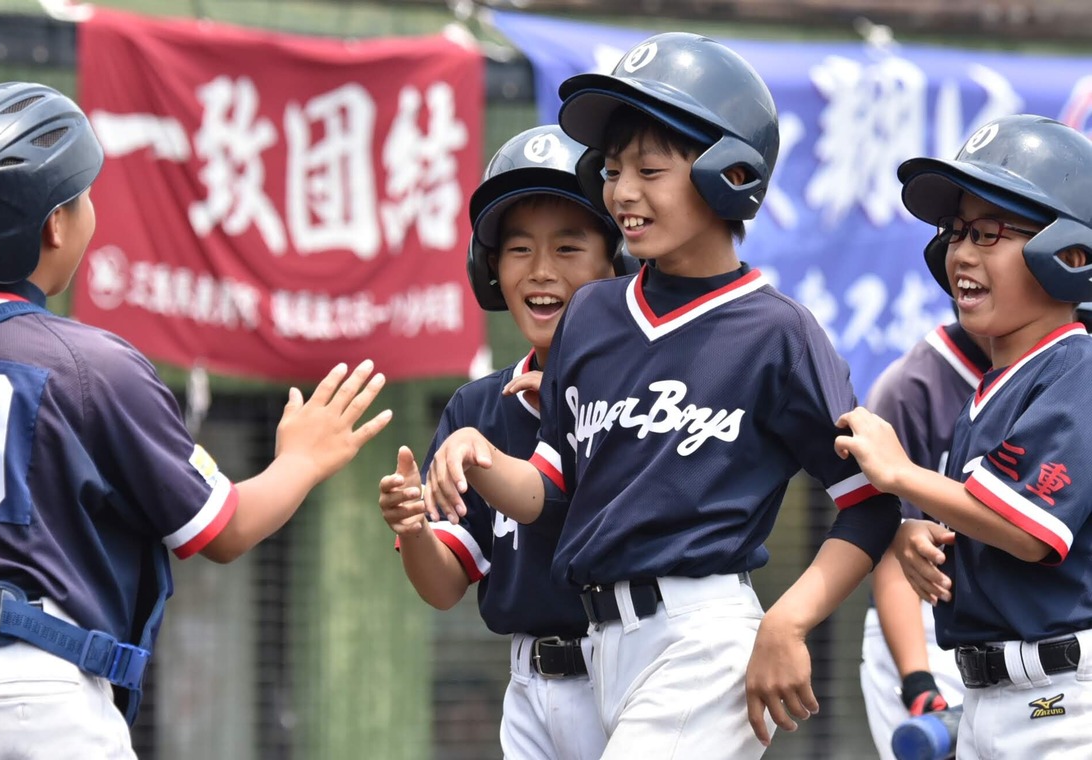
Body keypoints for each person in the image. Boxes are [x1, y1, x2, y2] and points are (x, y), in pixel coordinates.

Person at [423, 33, 901, 758]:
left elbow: (869, 506)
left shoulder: (776, 331)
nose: (622, 192)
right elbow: (552, 491)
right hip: (604, 651)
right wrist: (476, 454)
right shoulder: (594, 313)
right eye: (613, 170)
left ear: (729, 172)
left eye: (650, 169)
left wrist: (789, 621)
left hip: (702, 638)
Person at [0, 82, 392, 759]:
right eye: (82, 195)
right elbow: (222, 529)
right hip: (34, 697)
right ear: (54, 226)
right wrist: (304, 459)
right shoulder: (88, 365)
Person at [836, 114, 1092, 759]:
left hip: (1064, 702)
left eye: (988, 234)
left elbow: (1032, 533)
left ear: (1070, 255)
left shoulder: (1079, 366)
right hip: (991, 697)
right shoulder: (1000, 382)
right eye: (955, 234)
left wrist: (900, 475)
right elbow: (995, 519)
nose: (961, 254)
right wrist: (925, 533)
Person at [378, 125, 625, 760]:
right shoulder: (479, 407)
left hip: (630, 675)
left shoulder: (643, 396)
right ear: (490, 268)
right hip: (530, 687)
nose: (540, 271)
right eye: (518, 249)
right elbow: (442, 585)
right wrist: (413, 530)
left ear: (615, 262)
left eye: (569, 247)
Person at [859, 316, 988, 757]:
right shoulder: (909, 387)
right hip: (926, 626)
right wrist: (917, 682)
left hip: (1032, 625)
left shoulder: (1063, 370)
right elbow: (893, 548)